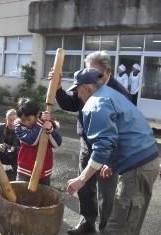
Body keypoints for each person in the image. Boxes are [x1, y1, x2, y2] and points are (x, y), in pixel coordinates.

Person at [66, 67, 160, 235]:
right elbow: (118, 133)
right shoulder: (110, 93)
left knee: (118, 227)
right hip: (146, 160)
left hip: (137, 167)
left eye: (77, 91)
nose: (77, 96)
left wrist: (81, 179)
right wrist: (112, 162)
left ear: (87, 87)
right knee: (131, 220)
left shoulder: (95, 103)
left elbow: (102, 145)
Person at [51, 51, 130, 234]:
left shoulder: (120, 93)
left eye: (94, 72)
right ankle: (87, 223)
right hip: (87, 145)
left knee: (106, 195)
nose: (89, 76)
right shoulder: (87, 84)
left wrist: (111, 161)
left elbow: (124, 130)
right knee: (84, 188)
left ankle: (105, 229)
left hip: (109, 151)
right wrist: (57, 87)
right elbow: (70, 104)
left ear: (107, 72)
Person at [15, 97, 62, 185]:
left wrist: (50, 130)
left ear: (37, 115)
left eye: (29, 119)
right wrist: (40, 122)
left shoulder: (46, 123)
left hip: (44, 170)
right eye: (23, 120)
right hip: (25, 170)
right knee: (22, 194)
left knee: (42, 196)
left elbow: (57, 144)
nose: (26, 123)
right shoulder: (19, 127)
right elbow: (32, 141)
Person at [0, 109, 20, 180]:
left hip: (14, 163)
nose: (12, 122)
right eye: (10, 120)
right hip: (0, 161)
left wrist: (11, 148)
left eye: (14, 120)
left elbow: (23, 149)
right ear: (6, 119)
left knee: (12, 185)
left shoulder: (21, 130)